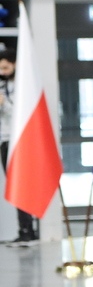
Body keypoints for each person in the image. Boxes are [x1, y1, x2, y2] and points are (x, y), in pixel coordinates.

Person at [0, 50, 39, 245]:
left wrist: (4, 103)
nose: (3, 72)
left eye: (6, 67)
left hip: (20, 141)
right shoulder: (2, 85)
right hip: (5, 141)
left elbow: (21, 112)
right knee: (13, 186)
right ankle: (23, 229)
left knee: (23, 184)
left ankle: (29, 230)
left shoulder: (22, 86)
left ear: (15, 64)